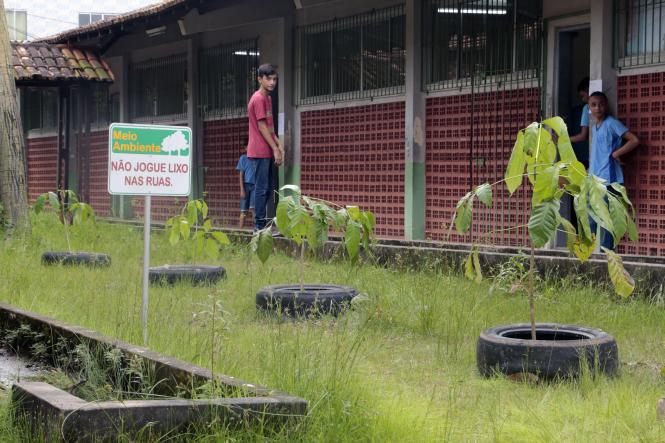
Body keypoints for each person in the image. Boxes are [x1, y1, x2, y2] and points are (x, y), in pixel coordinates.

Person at [587, 91, 640, 250]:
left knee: (606, 220)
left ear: (607, 105)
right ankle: (589, 254)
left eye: (601, 104)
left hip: (609, 180)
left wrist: (616, 153)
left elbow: (634, 140)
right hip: (594, 180)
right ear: (589, 108)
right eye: (594, 105)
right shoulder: (595, 126)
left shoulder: (611, 123)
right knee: (591, 218)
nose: (598, 108)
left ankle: (606, 254)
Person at [246, 63, 284, 231]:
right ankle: (259, 228)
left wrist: (278, 144)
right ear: (259, 79)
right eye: (268, 79)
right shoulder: (259, 98)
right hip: (259, 151)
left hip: (267, 150)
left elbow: (269, 126)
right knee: (261, 189)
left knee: (268, 189)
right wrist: (275, 149)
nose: (272, 82)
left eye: (274, 79)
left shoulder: (268, 98)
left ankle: (263, 225)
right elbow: (261, 127)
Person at [569, 77, 590, 167]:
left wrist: (562, 140)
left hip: (586, 155)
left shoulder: (586, 108)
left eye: (583, 96)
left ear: (588, 90)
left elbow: (583, 135)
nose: (583, 100)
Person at [236, 150, 255, 228]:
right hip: (245, 185)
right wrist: (242, 189)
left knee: (254, 209)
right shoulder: (243, 158)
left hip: (255, 186)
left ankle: (257, 230)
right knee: (243, 210)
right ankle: (240, 231)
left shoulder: (257, 158)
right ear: (245, 148)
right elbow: (241, 175)